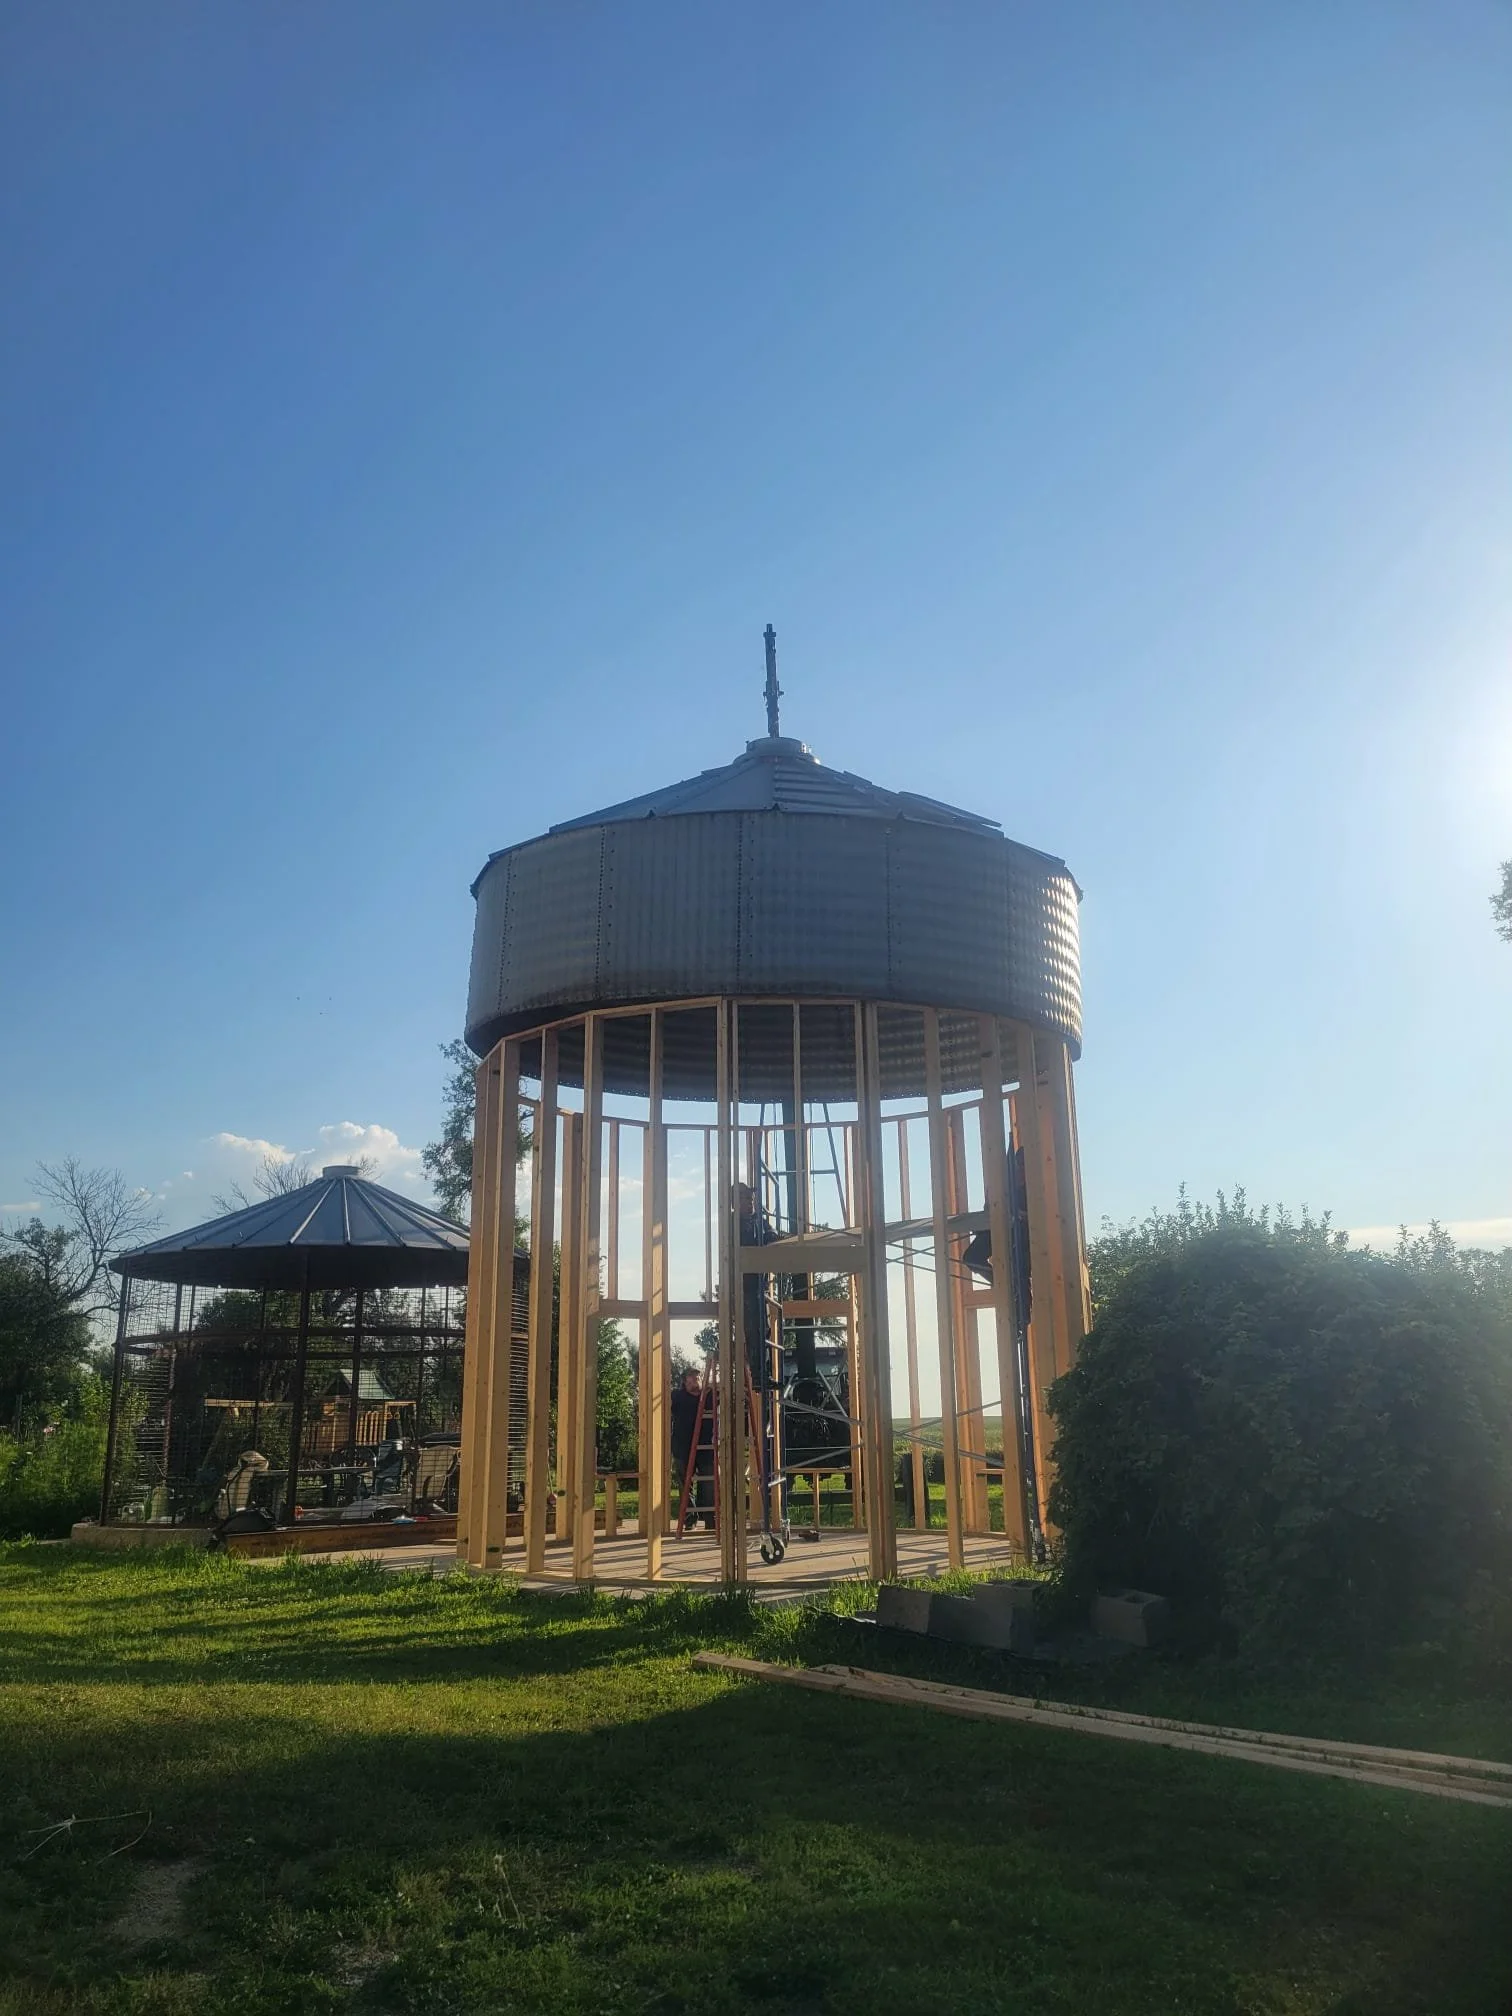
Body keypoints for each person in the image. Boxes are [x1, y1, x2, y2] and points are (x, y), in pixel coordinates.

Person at [669, 1364, 713, 1529]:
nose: (695, 1380)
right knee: (685, 1483)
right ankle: (690, 1518)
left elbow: (724, 1391)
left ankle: (711, 1519)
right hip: (682, 1447)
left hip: (705, 1447)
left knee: (709, 1483)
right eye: (692, 1378)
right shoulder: (677, 1396)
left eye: (698, 1377)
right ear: (685, 1381)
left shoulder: (708, 1396)